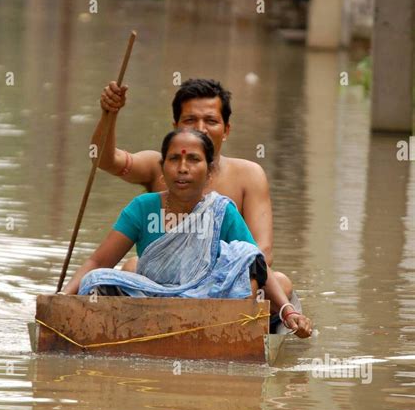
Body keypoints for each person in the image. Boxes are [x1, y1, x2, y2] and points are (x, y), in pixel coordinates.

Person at [63, 129, 312, 338]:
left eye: (193, 159)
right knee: (96, 282)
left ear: (208, 171)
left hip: (209, 302)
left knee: (245, 254)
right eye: (174, 159)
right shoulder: (142, 208)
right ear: (162, 168)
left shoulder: (221, 211)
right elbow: (98, 261)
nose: (183, 168)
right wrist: (62, 299)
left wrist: (288, 310)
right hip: (152, 300)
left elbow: (255, 263)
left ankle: (235, 338)